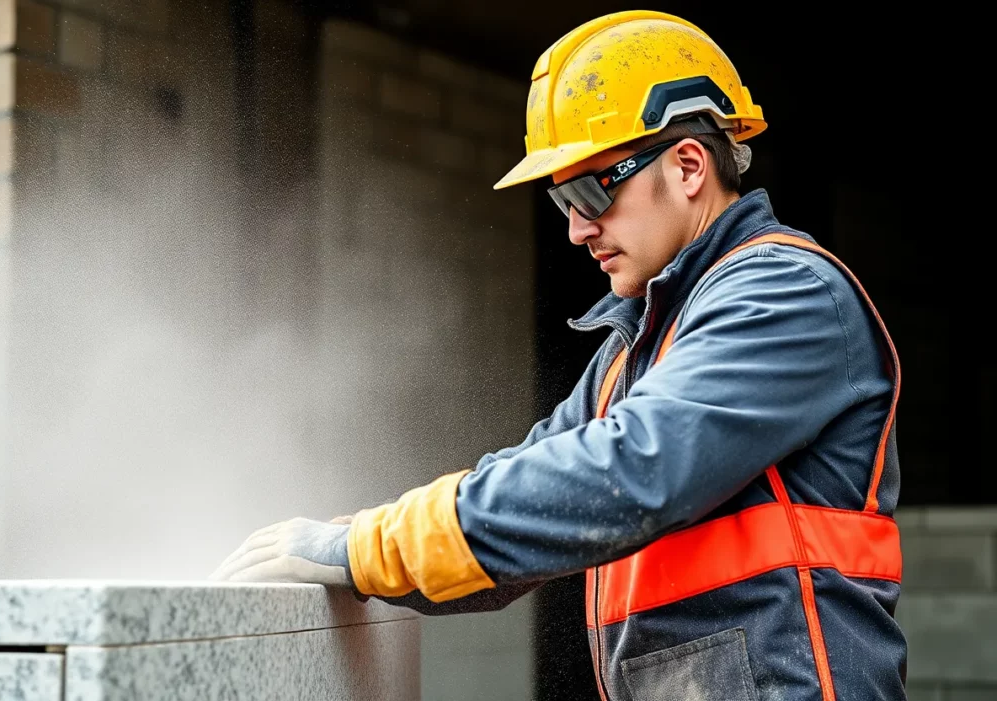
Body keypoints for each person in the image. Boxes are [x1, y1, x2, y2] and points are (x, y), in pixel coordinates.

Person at [211, 10, 906, 700]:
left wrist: (372, 548)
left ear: (689, 164)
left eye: (589, 189)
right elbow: (530, 492)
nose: (576, 229)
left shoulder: (785, 293)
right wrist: (357, 547)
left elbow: (634, 467)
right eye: (560, 199)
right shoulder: (633, 349)